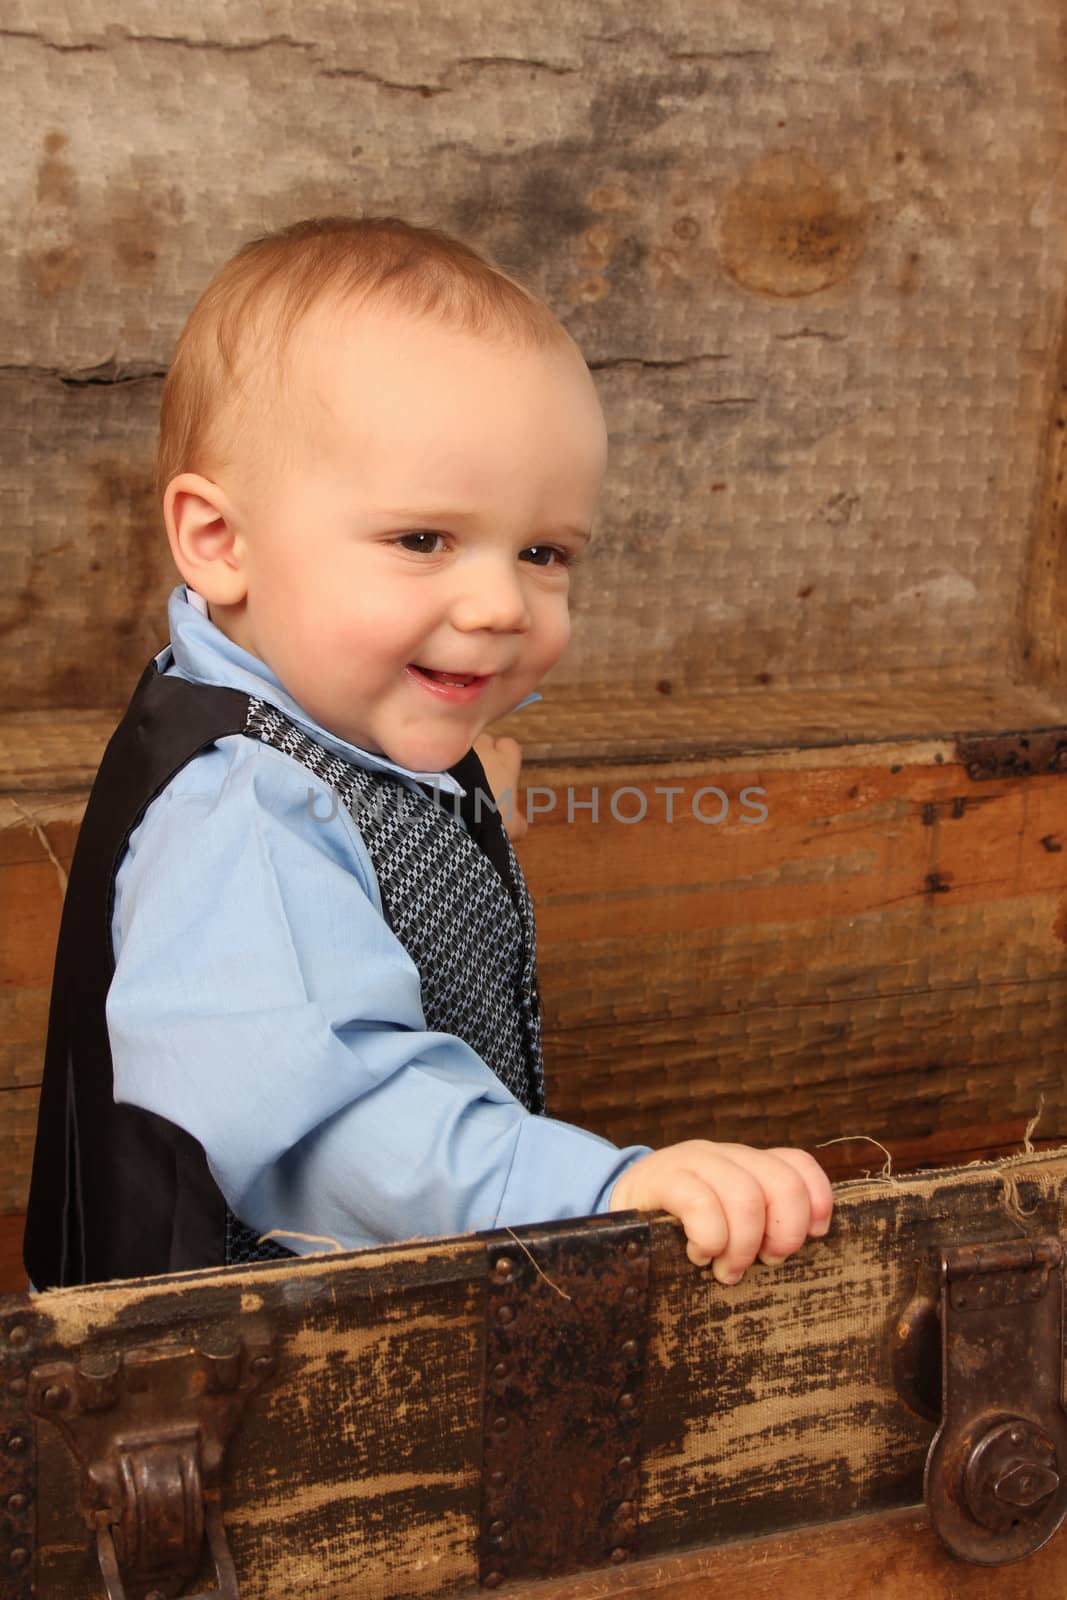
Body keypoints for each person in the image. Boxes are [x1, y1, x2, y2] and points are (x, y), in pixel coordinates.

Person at [24, 215, 832, 1290]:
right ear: (221, 541)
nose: (500, 603)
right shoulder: (240, 821)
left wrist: (456, 802)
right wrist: (591, 1192)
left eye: (542, 551)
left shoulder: (331, 721)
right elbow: (336, 1120)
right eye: (422, 540)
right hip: (246, 1364)